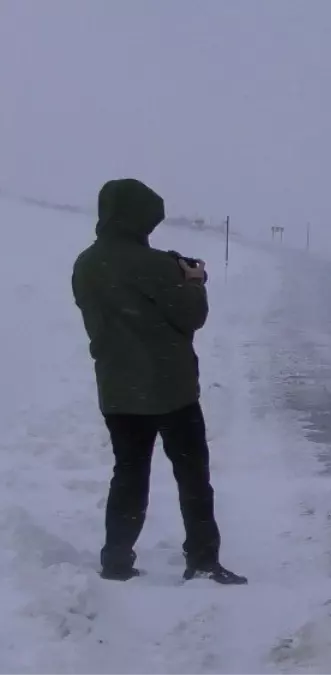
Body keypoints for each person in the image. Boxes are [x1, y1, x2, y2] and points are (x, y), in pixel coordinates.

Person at [71, 178, 246, 585]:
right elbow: (192, 316)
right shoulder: (153, 265)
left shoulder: (85, 263)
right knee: (192, 477)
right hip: (172, 390)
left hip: (117, 390)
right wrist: (193, 282)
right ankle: (202, 559)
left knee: (129, 475)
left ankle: (116, 560)